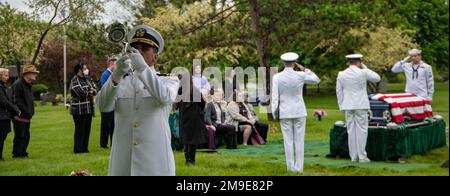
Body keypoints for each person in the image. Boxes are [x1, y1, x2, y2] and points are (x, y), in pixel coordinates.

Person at [97, 25, 180, 176]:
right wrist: (116, 75)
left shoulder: (169, 80)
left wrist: (142, 67)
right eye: (134, 48)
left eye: (144, 48)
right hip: (123, 164)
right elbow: (103, 106)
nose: (138, 52)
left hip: (155, 164)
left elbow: (164, 97)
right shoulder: (120, 80)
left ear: (155, 56)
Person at [271, 52, 320, 173]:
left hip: (285, 111)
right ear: (294, 63)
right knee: (299, 140)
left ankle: (290, 168)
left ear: (283, 63)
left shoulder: (277, 77)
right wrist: (306, 69)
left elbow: (275, 97)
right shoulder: (300, 75)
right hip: (299, 110)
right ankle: (299, 168)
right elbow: (316, 80)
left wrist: (274, 113)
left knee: (288, 141)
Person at [336, 54, 381, 163]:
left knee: (351, 130)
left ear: (349, 62)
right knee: (362, 130)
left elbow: (339, 91)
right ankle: (362, 156)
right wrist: (365, 67)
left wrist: (341, 106)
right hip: (361, 104)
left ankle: (354, 156)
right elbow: (377, 78)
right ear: (359, 62)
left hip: (348, 105)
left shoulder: (341, 74)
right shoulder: (363, 72)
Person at [178, 77, 209, 165]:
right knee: (192, 140)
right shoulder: (194, 90)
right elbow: (202, 102)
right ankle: (191, 160)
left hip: (183, 117)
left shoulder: (179, 90)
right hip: (194, 117)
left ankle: (187, 160)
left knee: (186, 139)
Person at [12, 65, 39, 158]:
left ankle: (23, 152)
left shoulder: (29, 84)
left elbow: (29, 99)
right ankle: (17, 154)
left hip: (27, 115)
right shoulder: (18, 84)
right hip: (20, 115)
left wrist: (31, 111)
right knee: (20, 136)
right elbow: (16, 100)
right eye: (34, 73)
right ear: (27, 74)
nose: (36, 75)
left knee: (26, 135)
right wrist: (26, 110)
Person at [70, 63, 97, 154]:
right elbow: (80, 93)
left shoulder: (88, 79)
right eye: (84, 68)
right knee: (79, 129)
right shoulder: (74, 80)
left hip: (88, 108)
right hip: (78, 110)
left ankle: (85, 148)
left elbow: (95, 89)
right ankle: (78, 149)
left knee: (87, 129)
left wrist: (91, 91)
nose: (86, 70)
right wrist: (90, 92)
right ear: (79, 70)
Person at [0, 68, 20, 160]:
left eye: (7, 75)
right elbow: (4, 102)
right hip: (1, 116)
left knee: (2, 136)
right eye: (6, 75)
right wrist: (16, 110)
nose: (7, 77)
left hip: (4, 116)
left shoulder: (3, 86)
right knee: (1, 136)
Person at [99, 58, 117, 149]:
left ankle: (112, 143)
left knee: (112, 125)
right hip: (106, 104)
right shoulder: (105, 75)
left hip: (112, 104)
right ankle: (103, 144)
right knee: (105, 125)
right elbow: (104, 88)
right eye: (116, 65)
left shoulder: (111, 75)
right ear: (112, 65)